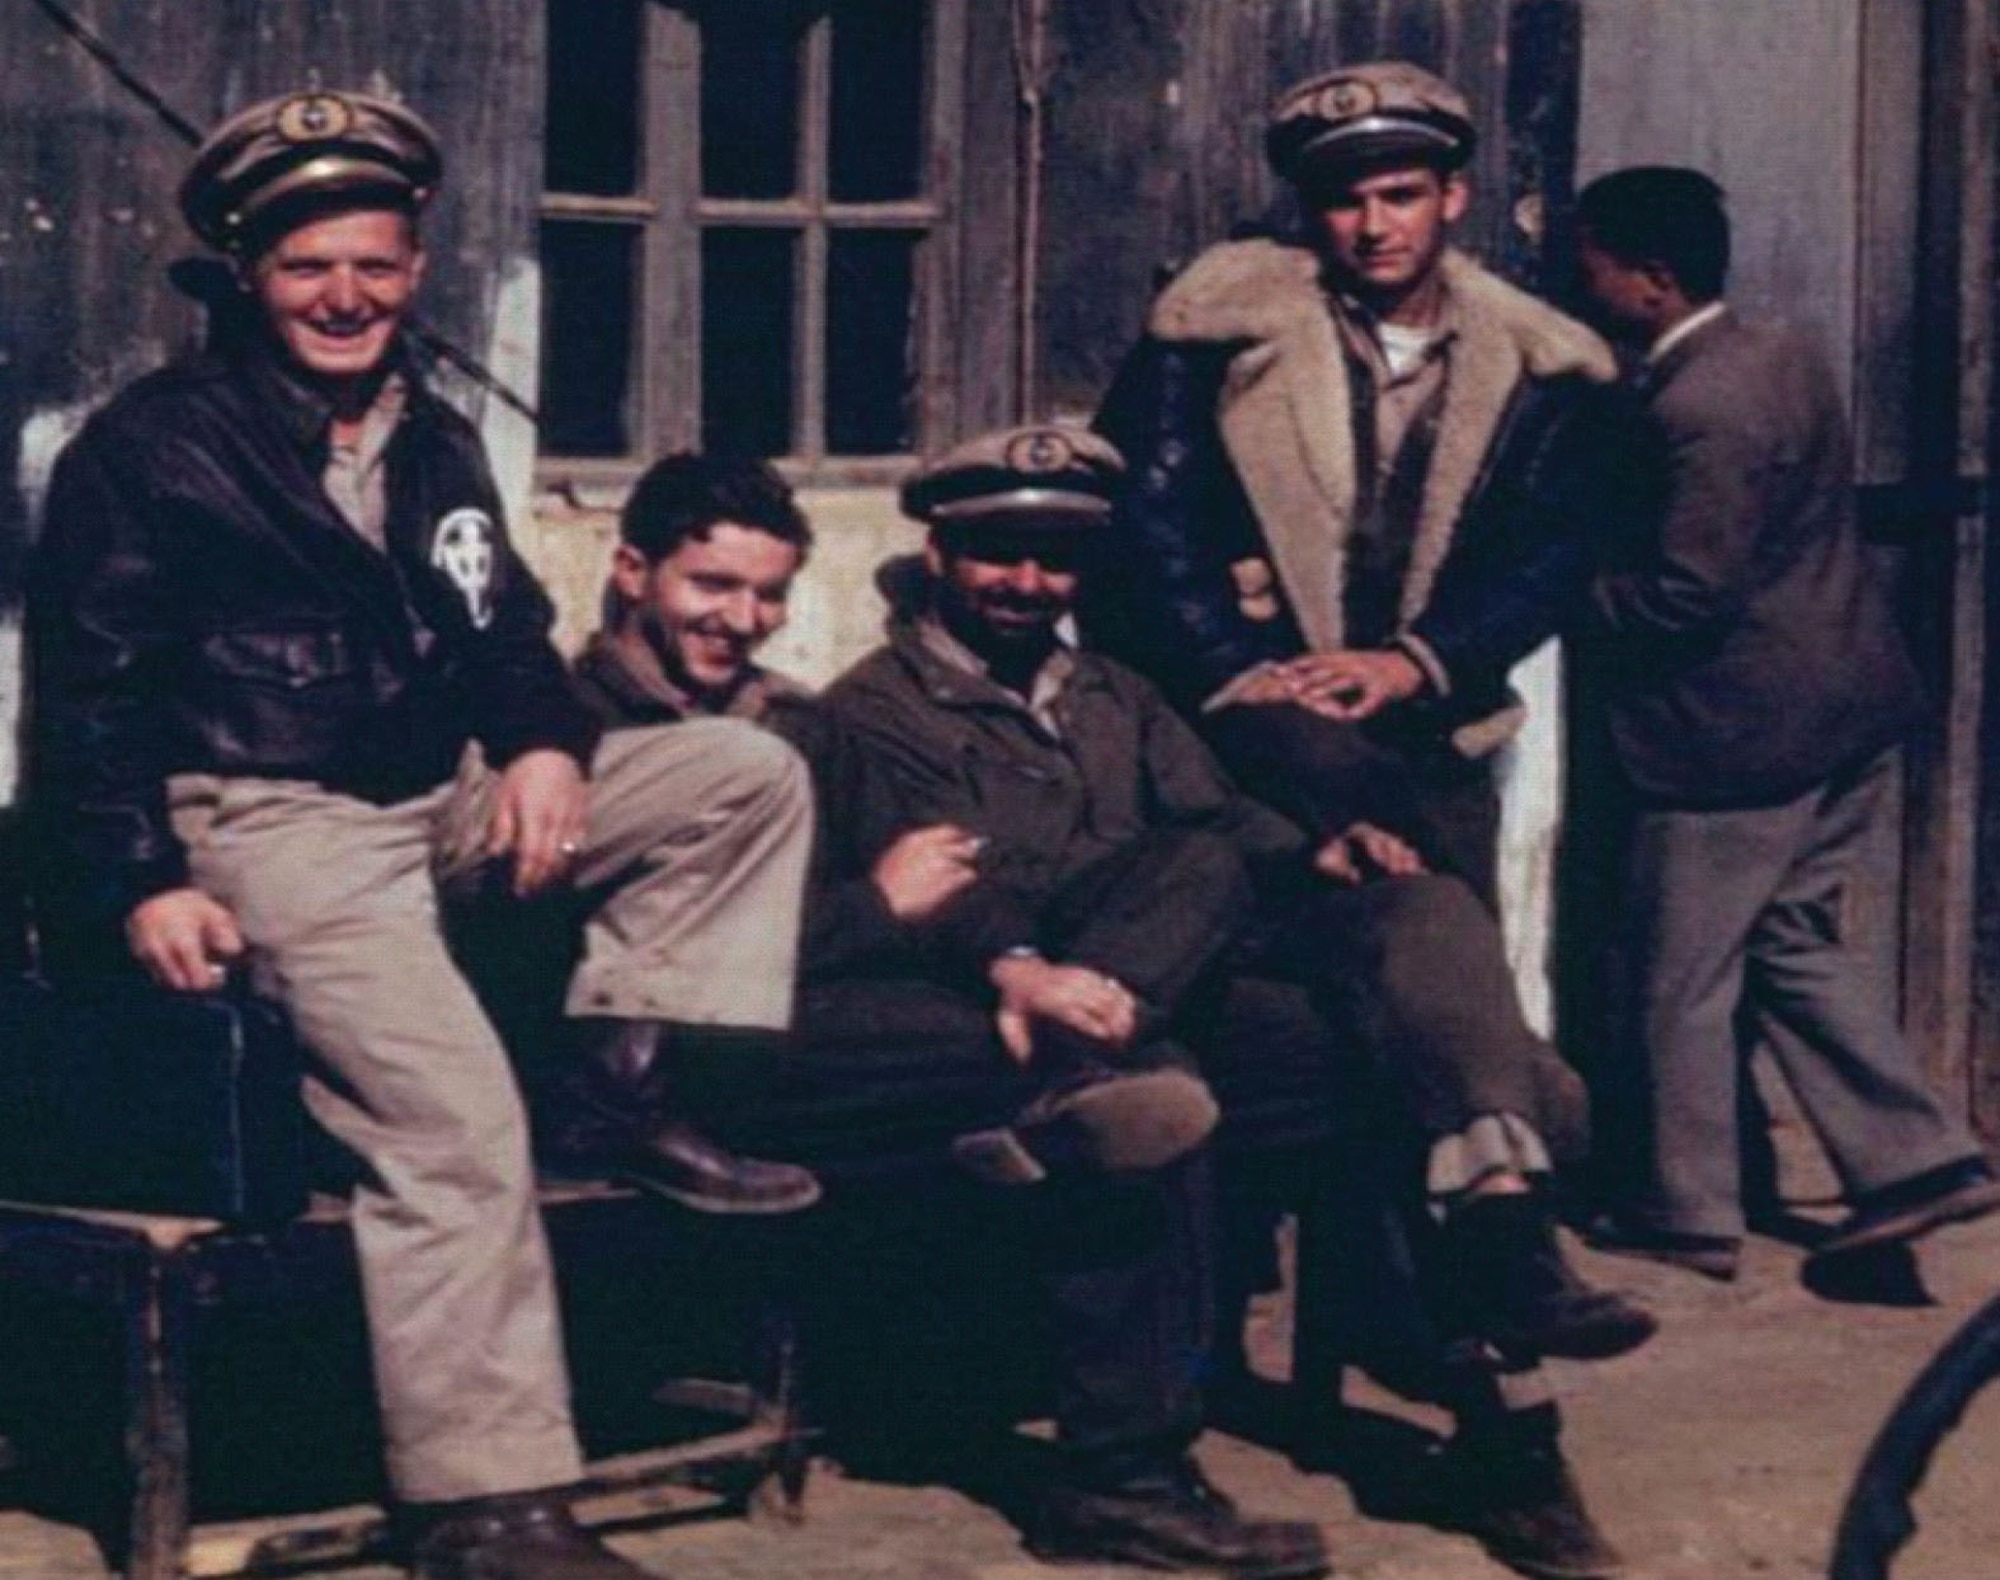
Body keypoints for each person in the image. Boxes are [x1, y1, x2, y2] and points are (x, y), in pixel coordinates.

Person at [26, 90, 817, 1580]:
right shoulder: (155, 446)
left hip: (429, 800)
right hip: (268, 825)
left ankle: (629, 1082)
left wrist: (537, 745)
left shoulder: (435, 436)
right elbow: (86, 696)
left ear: (416, 271)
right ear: (249, 273)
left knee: (734, 767)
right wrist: (141, 880)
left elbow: (505, 628)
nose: (346, 298)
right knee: (452, 1130)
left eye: (377, 267)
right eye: (310, 267)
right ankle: (486, 1503)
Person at [813, 423, 1646, 1580]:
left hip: (1159, 993)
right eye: (996, 551)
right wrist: (1098, 951)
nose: (1026, 582)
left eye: (1054, 558)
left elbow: (1218, 819)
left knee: (1412, 964)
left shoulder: (1113, 690)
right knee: (1170, 1054)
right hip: (1020, 1019)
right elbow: (948, 892)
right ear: (939, 549)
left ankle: (1507, 1405)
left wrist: (1323, 849)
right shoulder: (874, 713)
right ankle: (1122, 1477)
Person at [569, 448, 1326, 1579]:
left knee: (1136, 1059)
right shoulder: (570, 727)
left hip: (830, 1024)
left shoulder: (791, 719)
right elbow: (639, 955)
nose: (741, 618)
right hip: (669, 1070)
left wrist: (1018, 965)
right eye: (708, 586)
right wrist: (878, 908)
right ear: (633, 572)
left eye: (765, 593)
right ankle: (1121, 1476)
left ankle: (1127, 1469)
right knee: (1116, 1084)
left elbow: (934, 882)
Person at [1569, 166, 2000, 1281]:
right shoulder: (1781, 350)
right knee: (1791, 940)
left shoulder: (1697, 406)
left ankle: (1685, 1210)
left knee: (1679, 974)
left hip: (1734, 736)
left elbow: (1682, 592)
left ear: (1650, 281)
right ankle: (1917, 1161)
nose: (1581, 287)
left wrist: (1566, 596)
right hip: (1843, 703)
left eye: (1592, 268)